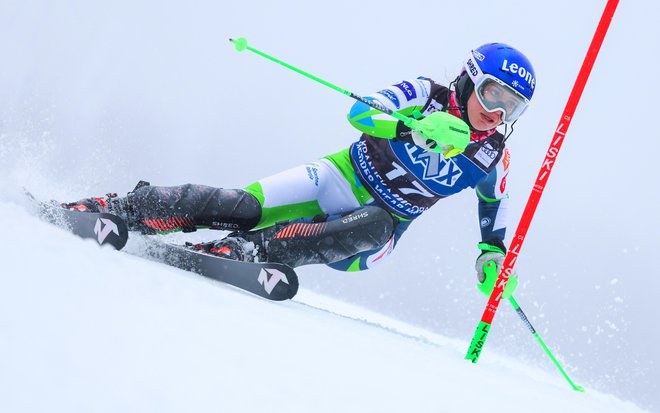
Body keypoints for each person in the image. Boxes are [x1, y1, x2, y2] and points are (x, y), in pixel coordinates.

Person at [65, 43, 535, 297]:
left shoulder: (492, 155)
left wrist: (491, 257)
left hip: (378, 230)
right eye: (495, 94)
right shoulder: (424, 93)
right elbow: (362, 113)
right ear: (471, 78)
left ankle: (244, 252)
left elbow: (495, 207)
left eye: (512, 108)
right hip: (340, 177)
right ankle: (122, 208)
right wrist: (408, 129)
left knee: (373, 225)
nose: (498, 113)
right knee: (243, 205)